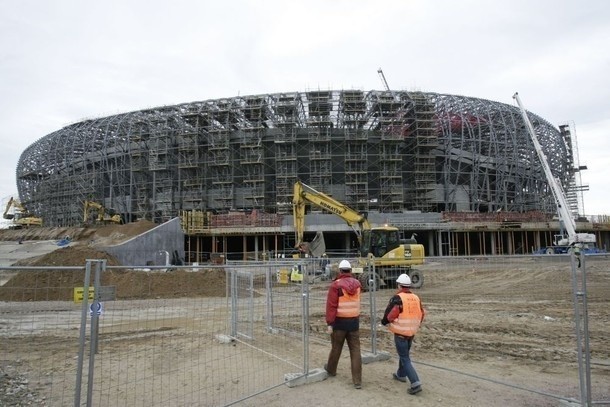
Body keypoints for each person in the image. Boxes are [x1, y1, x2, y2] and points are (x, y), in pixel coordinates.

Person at [381, 273, 425, 395]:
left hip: (400, 333)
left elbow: (390, 315)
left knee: (405, 358)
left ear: (399, 285)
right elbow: (422, 313)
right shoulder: (416, 297)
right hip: (411, 332)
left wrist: (384, 322)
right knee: (404, 354)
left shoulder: (397, 298)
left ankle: (415, 383)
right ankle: (401, 374)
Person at [324, 259, 363, 389]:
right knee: (355, 350)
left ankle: (331, 369)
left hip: (340, 322)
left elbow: (331, 306)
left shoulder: (336, 285)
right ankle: (357, 381)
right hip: (354, 322)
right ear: (350, 270)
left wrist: (330, 323)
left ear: (340, 271)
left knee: (336, 347)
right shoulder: (357, 284)